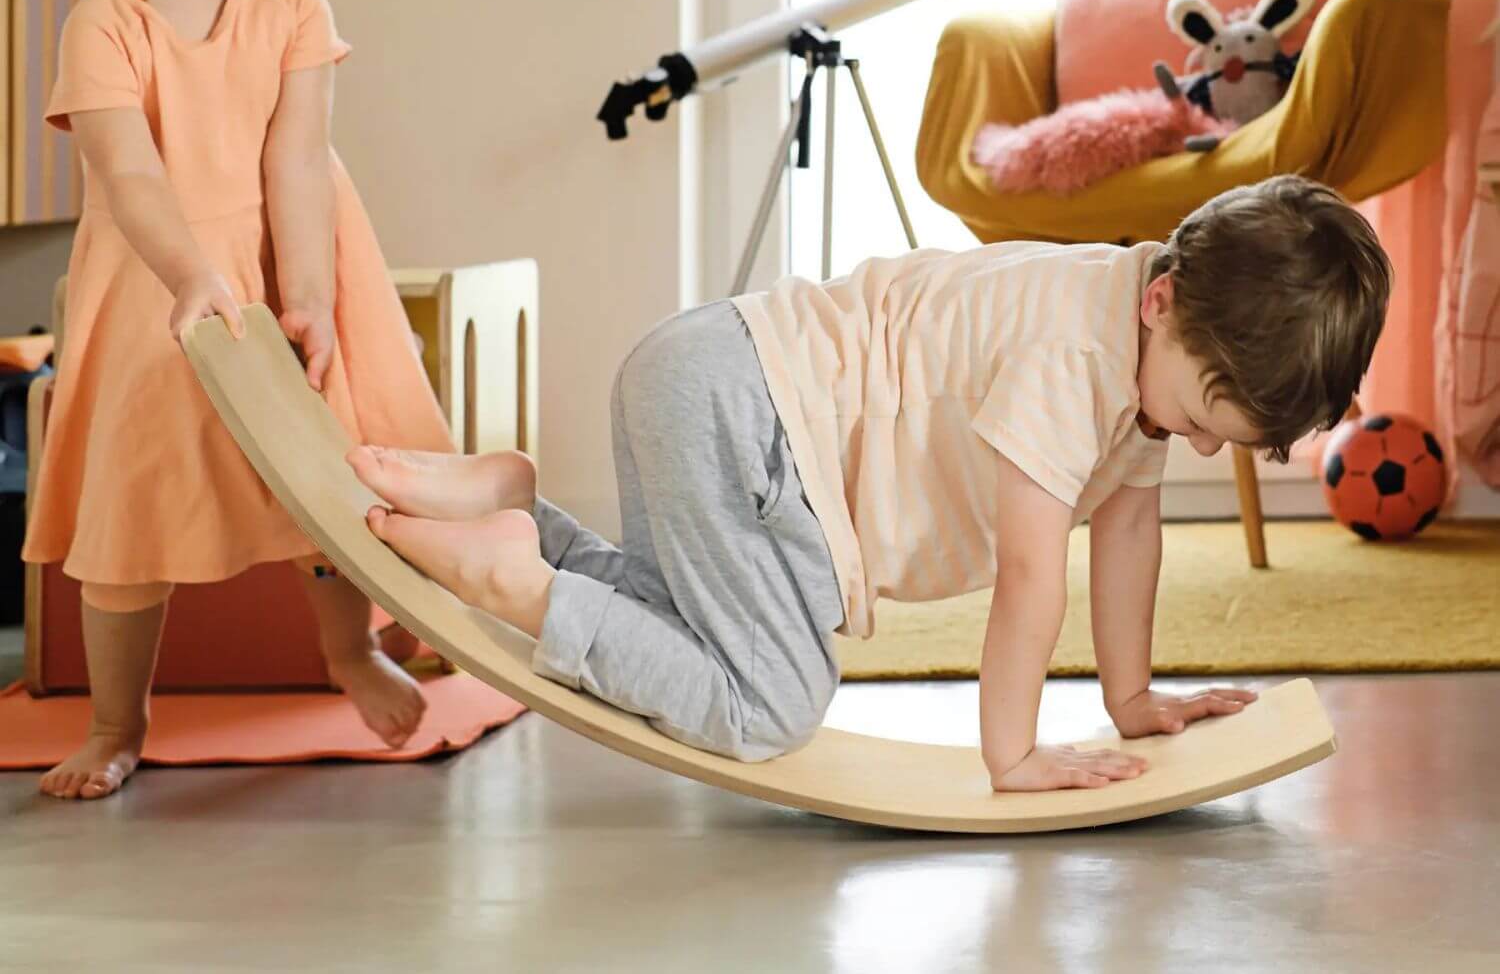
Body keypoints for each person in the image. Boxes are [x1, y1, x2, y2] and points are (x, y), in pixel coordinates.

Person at [351, 176, 1389, 793]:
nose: (1199, 448)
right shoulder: (1073, 360)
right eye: (1207, 421)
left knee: (684, 631)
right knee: (770, 705)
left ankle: (514, 514)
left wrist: (1130, 703)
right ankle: (523, 586)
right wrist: (1013, 754)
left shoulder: (1138, 337)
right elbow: (1033, 576)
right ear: (1165, 301)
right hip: (751, 418)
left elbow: (1127, 535)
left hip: (718, 388)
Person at [25, 0, 455, 800]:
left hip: (284, 256)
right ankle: (118, 722)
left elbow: (297, 158)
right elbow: (131, 179)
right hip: (157, 279)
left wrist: (305, 294)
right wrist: (190, 278)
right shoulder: (103, 26)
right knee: (134, 510)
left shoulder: (292, 6)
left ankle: (348, 650)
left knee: (322, 474)